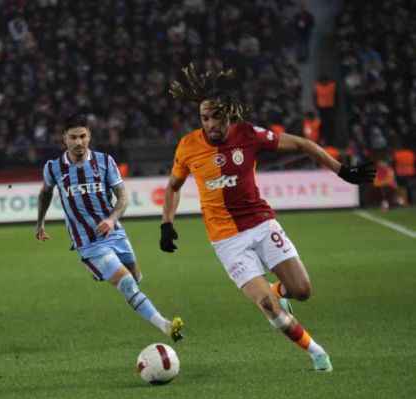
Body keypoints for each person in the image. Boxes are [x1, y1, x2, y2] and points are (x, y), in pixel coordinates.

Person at [161, 64, 376, 371]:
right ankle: (316, 352)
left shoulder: (249, 135)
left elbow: (303, 144)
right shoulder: (188, 146)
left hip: (261, 223)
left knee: (302, 291)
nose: (210, 124)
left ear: (230, 115)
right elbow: (173, 187)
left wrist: (343, 170)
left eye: (216, 117)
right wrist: (167, 223)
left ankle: (277, 290)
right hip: (227, 240)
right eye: (204, 118)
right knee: (266, 305)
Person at [36, 114, 184, 341]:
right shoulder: (53, 168)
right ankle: (165, 326)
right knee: (126, 284)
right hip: (88, 241)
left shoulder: (105, 162)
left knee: (135, 278)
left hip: (115, 233)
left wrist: (112, 219)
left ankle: (103, 273)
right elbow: (45, 193)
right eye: (73, 137)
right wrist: (40, 223)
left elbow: (123, 197)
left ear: (89, 136)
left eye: (83, 136)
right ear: (64, 138)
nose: (78, 142)